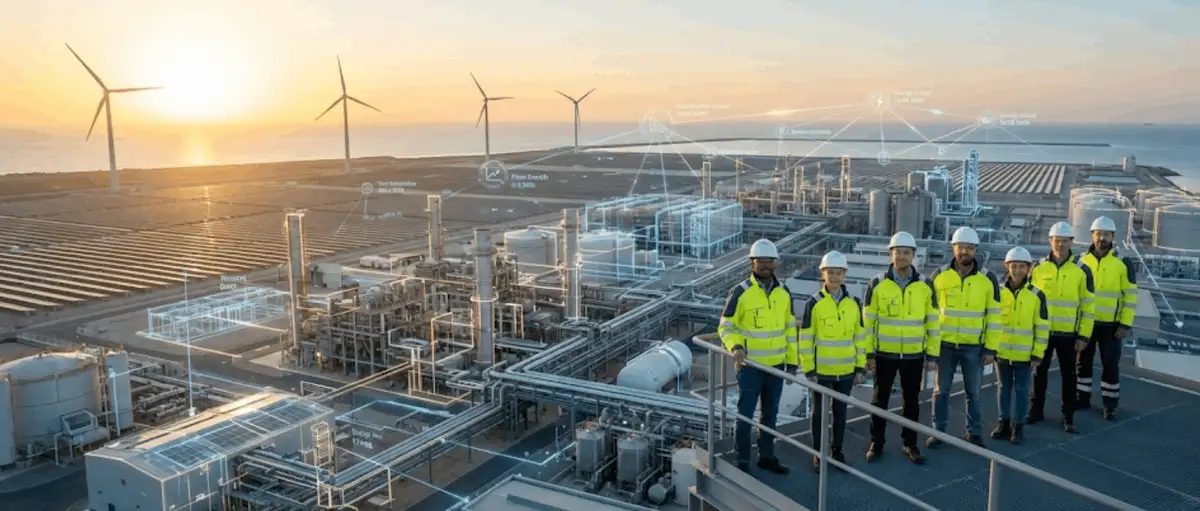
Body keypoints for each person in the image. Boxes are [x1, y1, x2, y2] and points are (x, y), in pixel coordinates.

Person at [718, 238, 797, 474]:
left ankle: (766, 457)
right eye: (760, 260)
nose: (765, 265)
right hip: (750, 367)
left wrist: (792, 362)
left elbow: (790, 329)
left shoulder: (784, 293)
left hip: (776, 367)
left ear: (776, 263)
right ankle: (742, 460)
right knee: (745, 416)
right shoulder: (741, 292)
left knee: (770, 416)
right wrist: (735, 347)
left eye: (769, 260)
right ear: (752, 263)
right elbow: (725, 326)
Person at [863, 231, 939, 465]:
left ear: (914, 255)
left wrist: (932, 354)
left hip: (914, 355)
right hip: (884, 353)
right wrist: (869, 353)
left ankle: (910, 443)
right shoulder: (876, 284)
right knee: (879, 399)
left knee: (911, 401)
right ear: (891, 254)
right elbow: (868, 324)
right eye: (898, 252)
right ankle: (876, 442)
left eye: (907, 252)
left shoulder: (926, 285)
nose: (902, 256)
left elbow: (933, 323)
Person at [928, 226, 1002, 448]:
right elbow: (930, 315)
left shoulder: (988, 278)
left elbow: (994, 316)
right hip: (945, 346)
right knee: (941, 391)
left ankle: (974, 432)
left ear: (975, 250)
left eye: (969, 248)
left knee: (974, 393)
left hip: (973, 347)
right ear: (953, 248)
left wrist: (990, 348)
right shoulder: (939, 276)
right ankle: (938, 432)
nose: (965, 252)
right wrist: (931, 349)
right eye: (961, 247)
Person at [798, 250, 869, 472]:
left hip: (847, 371)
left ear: (845, 275)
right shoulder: (814, 303)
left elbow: (860, 337)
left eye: (838, 273)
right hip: (822, 372)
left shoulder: (854, 303)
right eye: (830, 272)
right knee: (819, 415)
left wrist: (860, 367)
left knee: (840, 414)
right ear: (823, 275)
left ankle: (837, 452)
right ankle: (818, 454)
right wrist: (809, 370)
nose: (835, 277)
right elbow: (806, 339)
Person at [1028, 221, 1095, 433]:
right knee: (1039, 373)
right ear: (1050, 241)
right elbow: (1030, 302)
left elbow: (1088, 306)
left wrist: (1083, 336)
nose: (1061, 245)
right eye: (1057, 241)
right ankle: (1036, 411)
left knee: (1069, 376)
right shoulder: (1038, 268)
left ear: (1071, 242)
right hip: (1043, 333)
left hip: (1069, 334)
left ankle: (1068, 416)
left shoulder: (1082, 270)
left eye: (1065, 241)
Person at [1077, 216, 1138, 421]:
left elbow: (1130, 296)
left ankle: (1109, 404)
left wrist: (1125, 323)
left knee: (1110, 365)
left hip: (1111, 327)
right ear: (1092, 236)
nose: (1101, 238)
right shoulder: (1082, 260)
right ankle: (1082, 398)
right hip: (1087, 324)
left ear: (1113, 237)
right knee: (1083, 363)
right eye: (1098, 234)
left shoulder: (1123, 263)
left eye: (1105, 234)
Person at [991, 247, 1050, 444]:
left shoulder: (1037, 295)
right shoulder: (998, 293)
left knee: (1022, 390)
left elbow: (1042, 327)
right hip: (1002, 352)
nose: (1016, 270)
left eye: (1021, 267)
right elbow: (991, 322)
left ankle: (1018, 426)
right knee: (1003, 388)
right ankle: (1003, 423)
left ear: (1029, 269)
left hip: (1025, 355)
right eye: (1013, 266)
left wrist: (1037, 353)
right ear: (1006, 267)